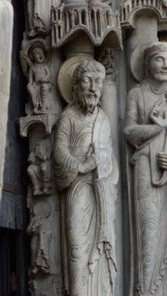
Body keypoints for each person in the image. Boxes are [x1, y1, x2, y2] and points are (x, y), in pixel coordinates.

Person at [54, 58, 117, 295]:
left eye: (98, 83)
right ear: (76, 86)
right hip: (78, 187)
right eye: (87, 81)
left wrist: (105, 170)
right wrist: (80, 166)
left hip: (100, 190)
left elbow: (109, 155)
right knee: (78, 247)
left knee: (99, 250)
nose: (93, 88)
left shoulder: (102, 119)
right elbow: (59, 149)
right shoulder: (69, 116)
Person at [125, 42, 167, 295]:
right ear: (147, 63)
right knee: (147, 231)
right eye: (160, 59)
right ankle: (145, 290)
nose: (165, 64)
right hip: (144, 167)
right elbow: (129, 131)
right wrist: (157, 128)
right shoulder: (137, 94)